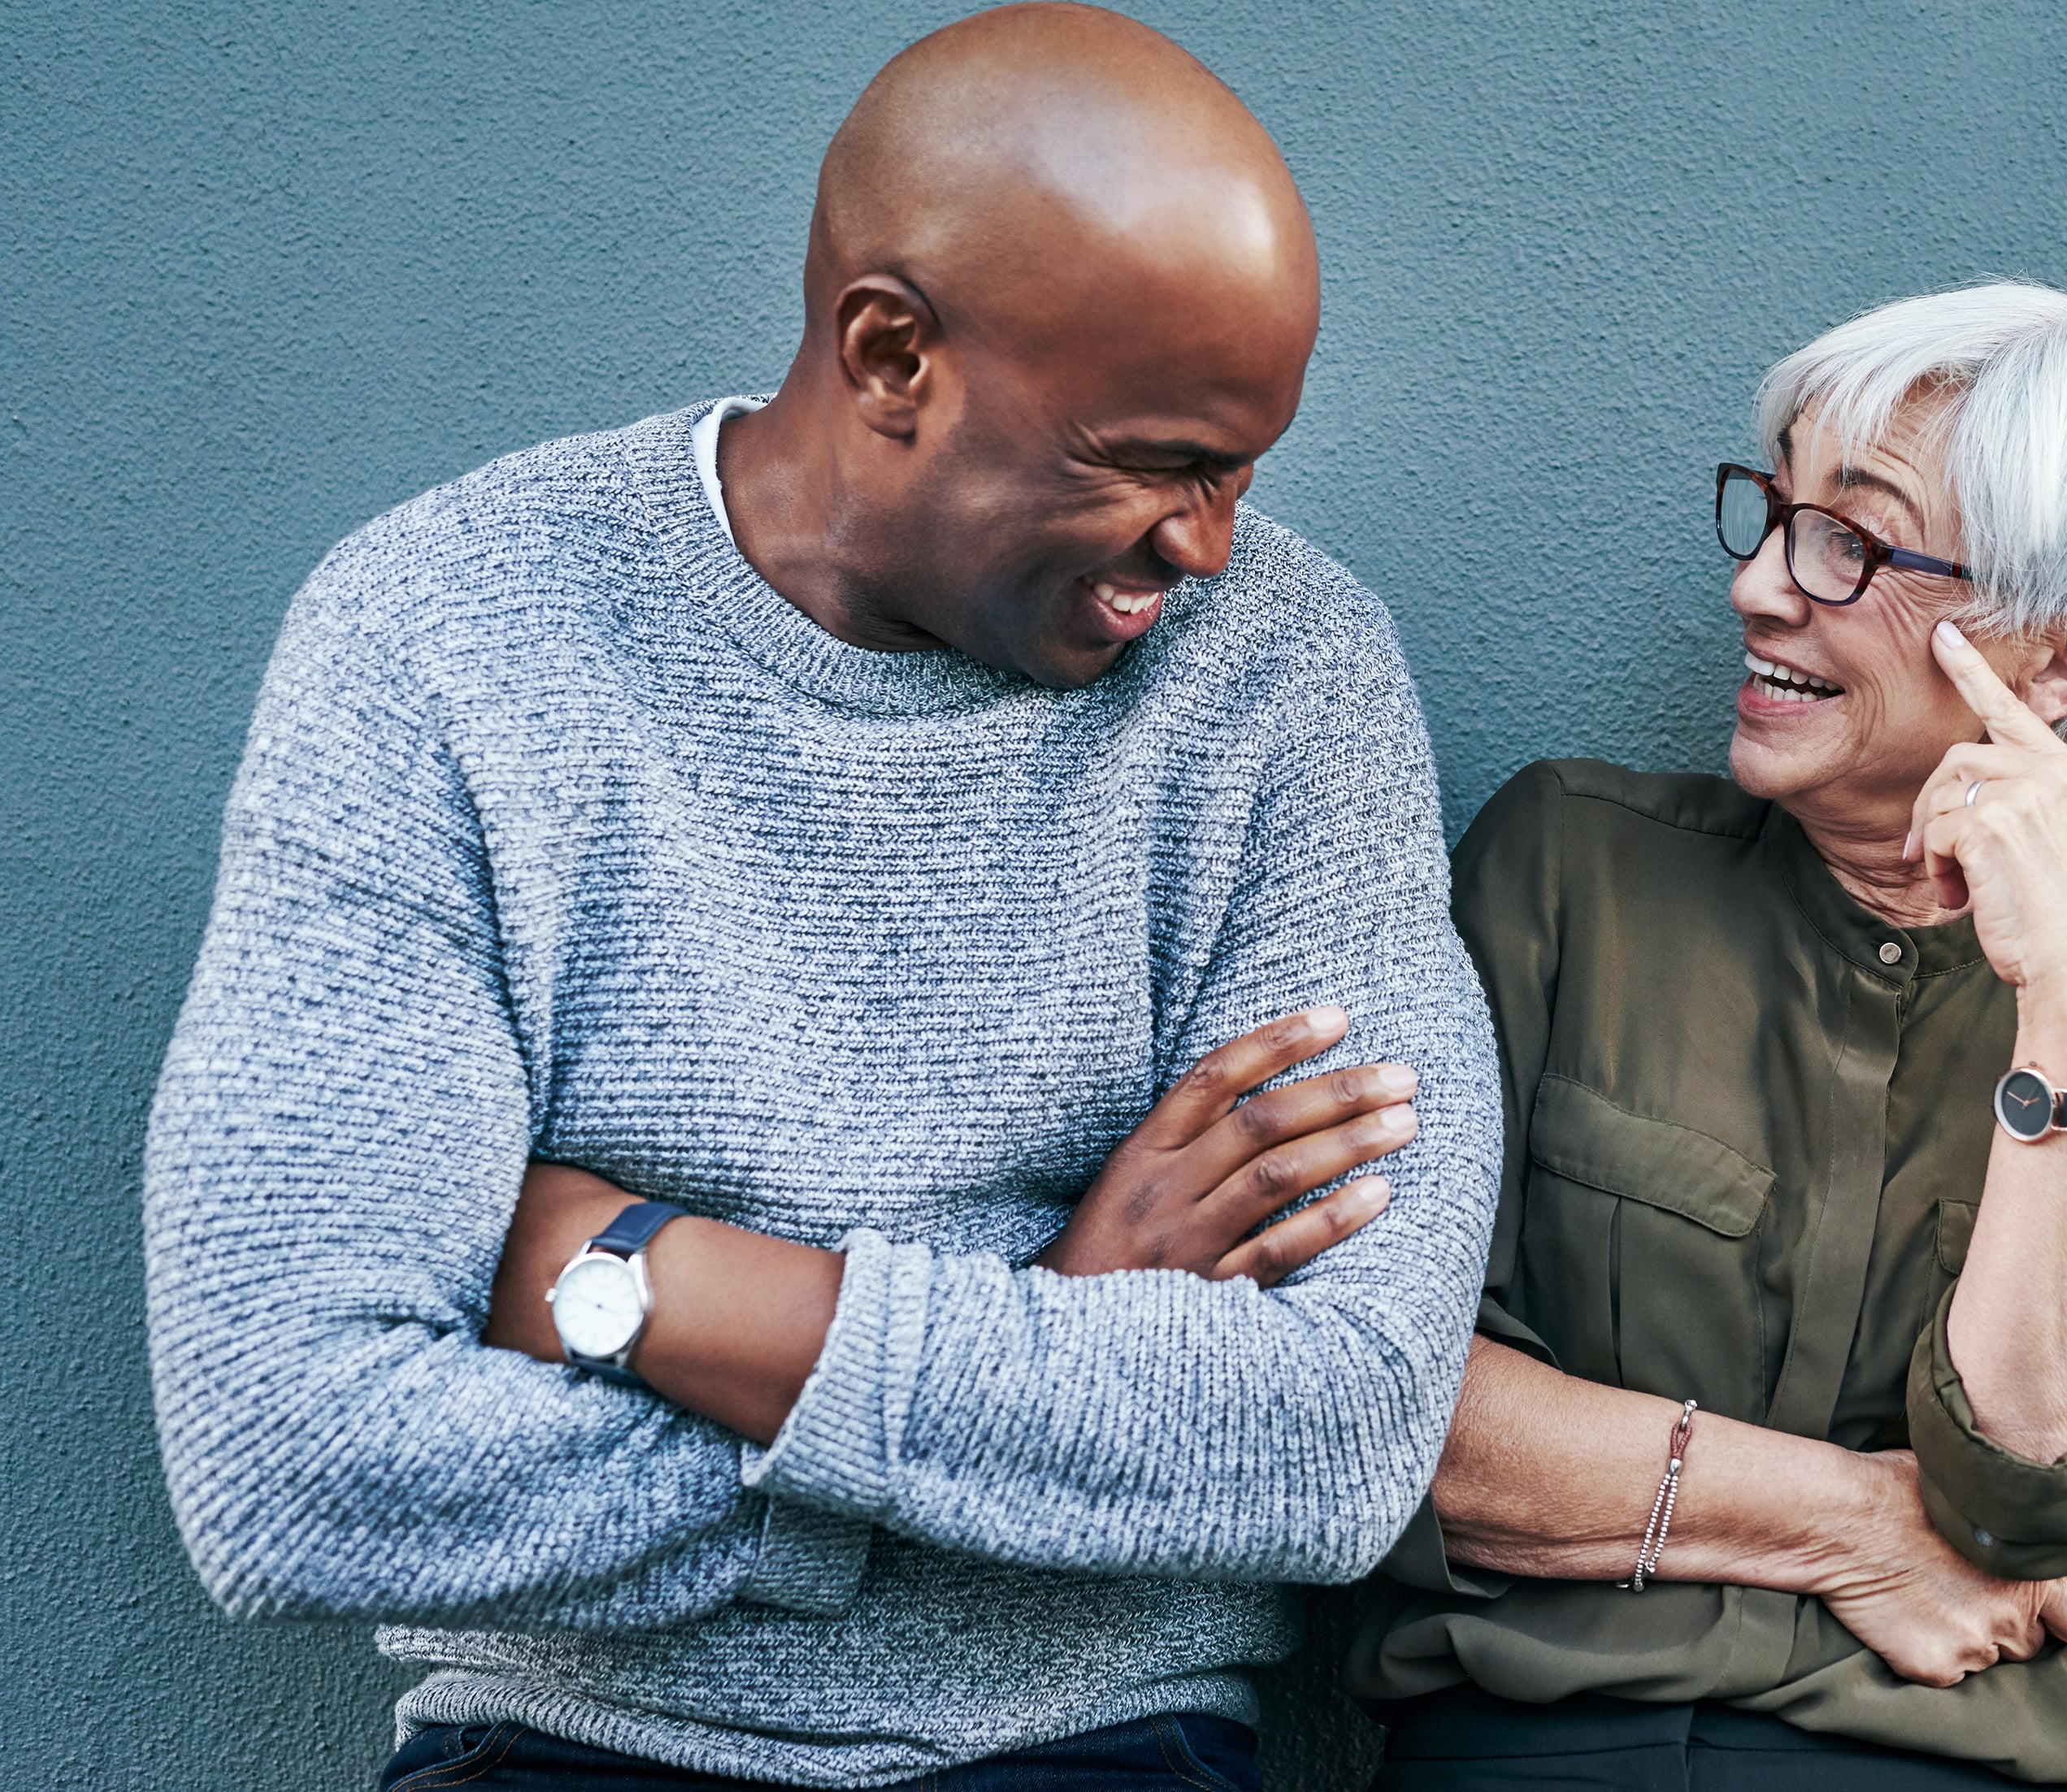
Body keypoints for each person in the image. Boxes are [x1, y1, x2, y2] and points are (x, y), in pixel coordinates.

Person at [141, 7, 1500, 1788]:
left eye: (1246, 472)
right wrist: (1042, 1331)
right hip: (569, 1740)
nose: (1210, 547)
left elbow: (1336, 1434)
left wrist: (652, 1282)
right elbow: (290, 1452)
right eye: (1159, 460)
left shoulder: (1290, 678)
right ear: (889, 355)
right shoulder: (442, 642)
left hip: (1098, 1740)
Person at [1348, 284, 2067, 1790]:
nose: (1763, 588)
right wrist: (1853, 1525)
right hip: (1531, 1751)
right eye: (1775, 512)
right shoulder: (1567, 871)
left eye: (1851, 541)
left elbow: (2033, 1502)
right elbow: (1380, 1405)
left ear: (2060, 660)